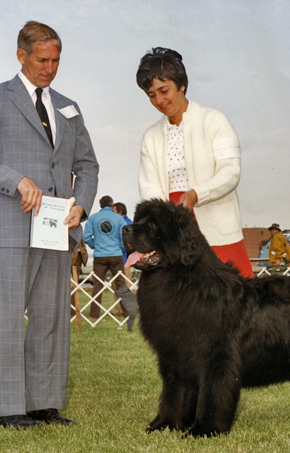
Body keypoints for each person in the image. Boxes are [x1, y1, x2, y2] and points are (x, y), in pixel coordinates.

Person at [0, 21, 99, 429]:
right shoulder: (1, 99)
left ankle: (44, 403)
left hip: (58, 230)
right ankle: (7, 408)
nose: (49, 68)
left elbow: (87, 165)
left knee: (50, 317)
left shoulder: (68, 106)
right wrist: (15, 180)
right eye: (42, 59)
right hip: (11, 226)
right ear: (21, 55)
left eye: (56, 60)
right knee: (5, 317)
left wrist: (82, 206)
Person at [136, 47, 253, 277]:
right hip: (172, 231)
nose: (159, 100)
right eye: (151, 95)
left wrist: (196, 194)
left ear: (182, 85)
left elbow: (230, 172)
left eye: (164, 90)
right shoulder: (150, 137)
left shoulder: (214, 120)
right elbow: (149, 188)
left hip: (216, 226)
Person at [83, 196, 137, 328]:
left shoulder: (93, 218)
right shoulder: (119, 219)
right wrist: (120, 247)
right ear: (111, 204)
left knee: (97, 285)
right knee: (121, 284)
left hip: (99, 256)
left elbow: (86, 237)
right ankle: (126, 313)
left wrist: (95, 245)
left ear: (100, 205)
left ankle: (94, 314)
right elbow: (126, 237)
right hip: (115, 255)